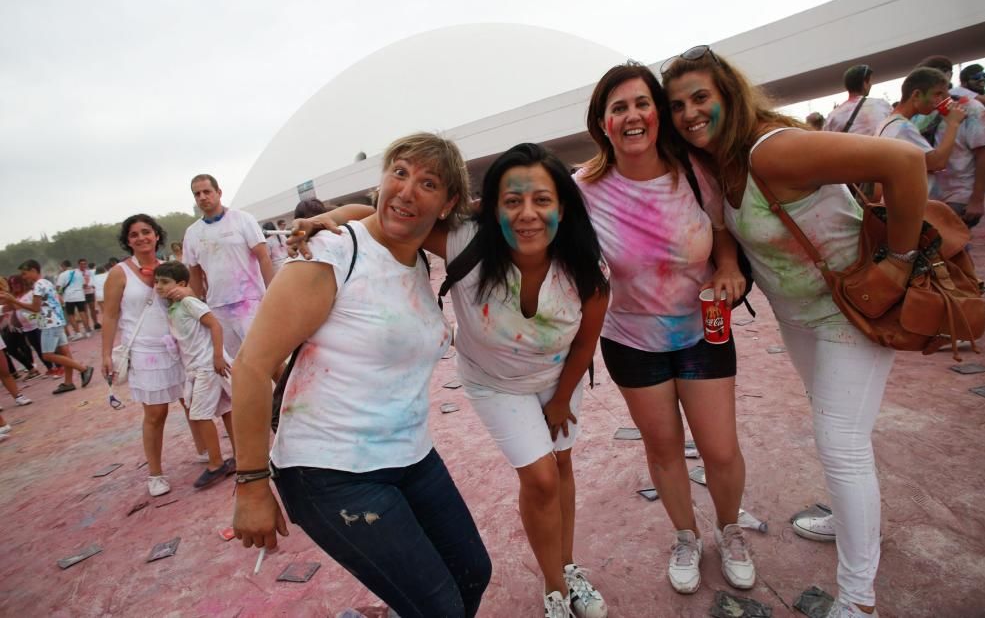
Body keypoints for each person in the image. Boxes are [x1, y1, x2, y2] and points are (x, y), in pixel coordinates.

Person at [662, 45, 928, 618]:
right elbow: (725, 229)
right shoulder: (718, 164)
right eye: (677, 104)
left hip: (848, 313)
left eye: (700, 97)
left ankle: (858, 601)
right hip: (800, 318)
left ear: (729, 94)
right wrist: (728, 265)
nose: (688, 113)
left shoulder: (773, 150)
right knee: (839, 431)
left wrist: (900, 262)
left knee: (842, 444)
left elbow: (905, 164)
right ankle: (848, 515)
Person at [301, 143, 611, 618]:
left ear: (563, 207)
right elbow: (393, 215)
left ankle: (569, 569)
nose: (527, 214)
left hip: (556, 380)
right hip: (494, 382)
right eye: (512, 201)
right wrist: (334, 218)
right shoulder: (466, 241)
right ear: (493, 208)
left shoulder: (587, 270)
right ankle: (554, 590)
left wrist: (562, 398)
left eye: (542, 200)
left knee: (563, 469)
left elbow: (586, 343)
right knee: (542, 479)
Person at [232, 133, 492, 617]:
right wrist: (250, 484)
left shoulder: (416, 261)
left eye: (427, 182)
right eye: (399, 172)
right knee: (440, 609)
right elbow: (251, 365)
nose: (407, 190)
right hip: (330, 470)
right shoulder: (331, 253)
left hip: (411, 455)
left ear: (448, 202)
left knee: (473, 572)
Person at [575, 61, 755, 596]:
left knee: (720, 450)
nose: (632, 116)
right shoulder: (583, 188)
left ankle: (730, 530)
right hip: (631, 342)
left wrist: (727, 268)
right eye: (618, 108)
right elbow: (512, 217)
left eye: (641, 104)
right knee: (664, 450)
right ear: (602, 123)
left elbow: (722, 235)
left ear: (658, 113)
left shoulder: (695, 172)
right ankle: (685, 536)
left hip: (702, 330)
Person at [101, 215, 186, 497]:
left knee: (193, 402)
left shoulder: (168, 268)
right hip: (143, 349)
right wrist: (105, 354)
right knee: (155, 412)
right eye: (134, 234)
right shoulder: (119, 273)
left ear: (157, 236)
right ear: (128, 241)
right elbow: (110, 314)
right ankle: (155, 474)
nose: (141, 238)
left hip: (175, 344)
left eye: (146, 232)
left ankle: (208, 455)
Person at [153, 261, 235, 489]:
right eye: (157, 282)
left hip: (207, 365)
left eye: (164, 282)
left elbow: (215, 325)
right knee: (225, 409)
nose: (159, 286)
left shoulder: (188, 302)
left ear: (180, 284)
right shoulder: (173, 306)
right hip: (197, 366)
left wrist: (218, 355)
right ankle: (240, 456)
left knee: (199, 414)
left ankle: (216, 463)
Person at [182, 174, 274, 359]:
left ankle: (282, 389)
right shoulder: (192, 233)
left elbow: (264, 257)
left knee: (263, 359)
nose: (202, 197)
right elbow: (195, 274)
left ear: (219, 192)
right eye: (197, 194)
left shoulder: (242, 219)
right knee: (236, 364)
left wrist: (272, 294)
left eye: (207, 191)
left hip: (250, 302)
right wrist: (195, 308)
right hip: (218, 309)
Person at [912, 56, 985, 227]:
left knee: (952, 247)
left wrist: (977, 199)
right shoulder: (921, 113)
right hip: (929, 197)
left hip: (959, 196)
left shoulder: (971, 108)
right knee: (945, 251)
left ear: (947, 77)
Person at [1, 260, 94, 395]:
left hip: (49, 323)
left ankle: (83, 369)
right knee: (65, 353)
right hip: (56, 320)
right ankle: (69, 382)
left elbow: (35, 308)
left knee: (48, 355)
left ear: (33, 270)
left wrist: (14, 301)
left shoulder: (38, 285)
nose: (24, 277)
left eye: (25, 273)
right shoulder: (46, 282)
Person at [877, 67, 968, 173]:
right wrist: (953, 124)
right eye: (937, 94)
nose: (940, 100)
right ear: (916, 95)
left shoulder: (889, 123)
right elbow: (937, 163)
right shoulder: (902, 128)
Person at [823, 65, 892, 136]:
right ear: (864, 84)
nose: (871, 84)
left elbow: (826, 141)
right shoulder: (881, 105)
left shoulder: (833, 116)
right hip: (878, 146)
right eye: (870, 81)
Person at [56, 259, 92, 340]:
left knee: (71, 315)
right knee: (82, 313)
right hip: (80, 295)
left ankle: (78, 333)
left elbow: (58, 287)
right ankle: (87, 331)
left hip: (69, 297)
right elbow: (84, 285)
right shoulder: (78, 273)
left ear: (63, 266)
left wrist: (60, 292)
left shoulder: (62, 275)